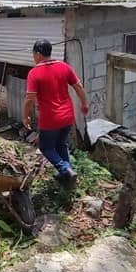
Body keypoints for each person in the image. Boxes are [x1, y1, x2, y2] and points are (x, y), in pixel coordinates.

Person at [23, 39, 89, 184]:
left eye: (33, 54)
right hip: (67, 117)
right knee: (61, 145)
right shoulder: (64, 66)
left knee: (46, 148)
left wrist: (25, 117)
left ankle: (65, 169)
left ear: (38, 54)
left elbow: (29, 99)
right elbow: (78, 86)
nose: (33, 57)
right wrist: (84, 104)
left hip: (50, 119)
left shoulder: (34, 73)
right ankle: (67, 175)